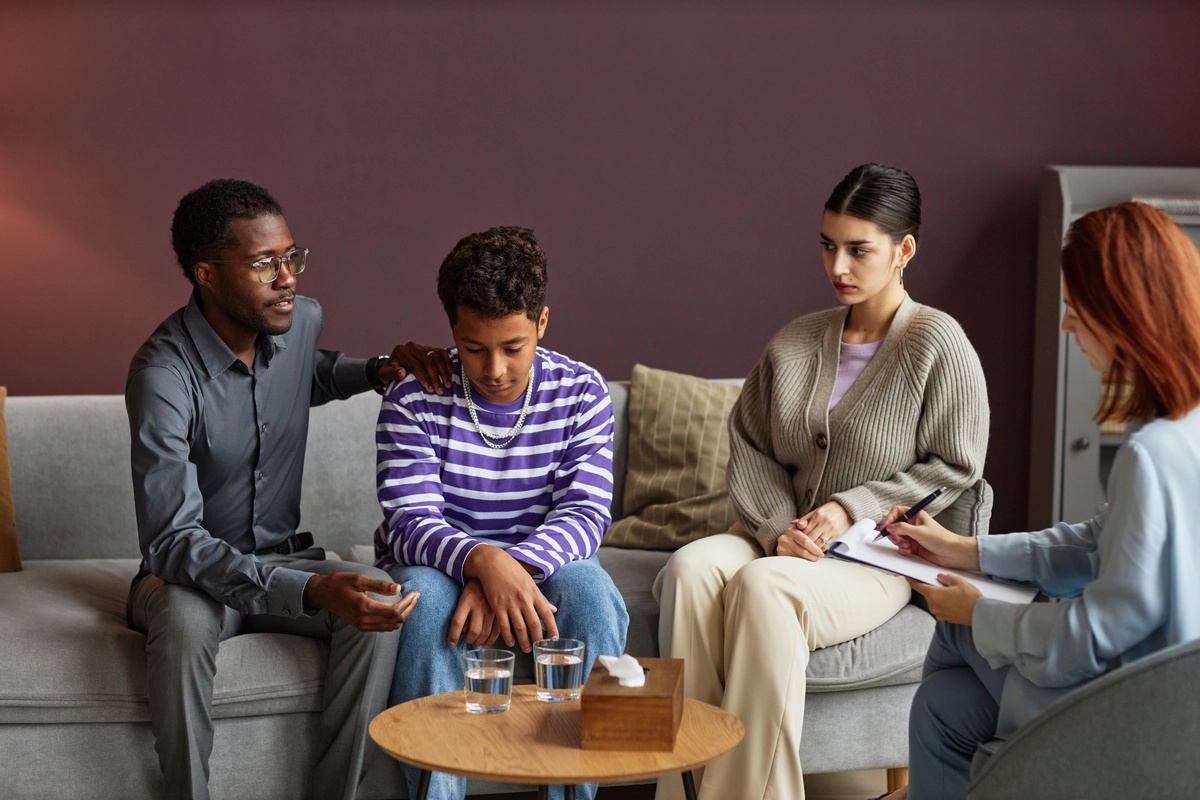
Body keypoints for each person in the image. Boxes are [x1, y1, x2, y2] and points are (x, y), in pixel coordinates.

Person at [653, 163, 992, 800]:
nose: (839, 266)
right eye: (829, 246)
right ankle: (684, 787)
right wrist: (783, 529)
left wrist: (848, 508)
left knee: (765, 588)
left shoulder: (938, 343)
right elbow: (751, 445)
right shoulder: (796, 341)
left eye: (859, 250)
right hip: (782, 537)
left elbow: (957, 465)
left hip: (879, 558)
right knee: (691, 569)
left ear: (903, 251)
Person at [125, 178, 450, 800]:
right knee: (187, 621)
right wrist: (312, 588)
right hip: (190, 578)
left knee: (381, 605)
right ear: (207, 275)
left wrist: (378, 370)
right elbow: (170, 541)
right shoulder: (161, 374)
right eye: (264, 263)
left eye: (291, 257)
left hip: (285, 555)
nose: (288, 278)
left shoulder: (298, 321)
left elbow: (312, 371)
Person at [880, 201, 1200, 800]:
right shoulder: (1184, 429)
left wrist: (978, 612)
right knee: (942, 705)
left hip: (1129, 715)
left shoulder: (1150, 454)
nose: (1066, 327)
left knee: (953, 633)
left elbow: (1093, 636)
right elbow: (1097, 541)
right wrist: (965, 549)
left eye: (1076, 311)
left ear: (1124, 316)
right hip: (1167, 703)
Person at [374, 225, 629, 800]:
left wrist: (511, 570)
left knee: (590, 591)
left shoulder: (582, 392)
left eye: (513, 347)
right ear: (452, 332)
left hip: (544, 563)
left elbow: (586, 514)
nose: (494, 369)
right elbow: (409, 523)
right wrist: (481, 561)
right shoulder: (413, 397)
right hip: (439, 568)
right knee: (420, 600)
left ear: (541, 323)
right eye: (473, 347)